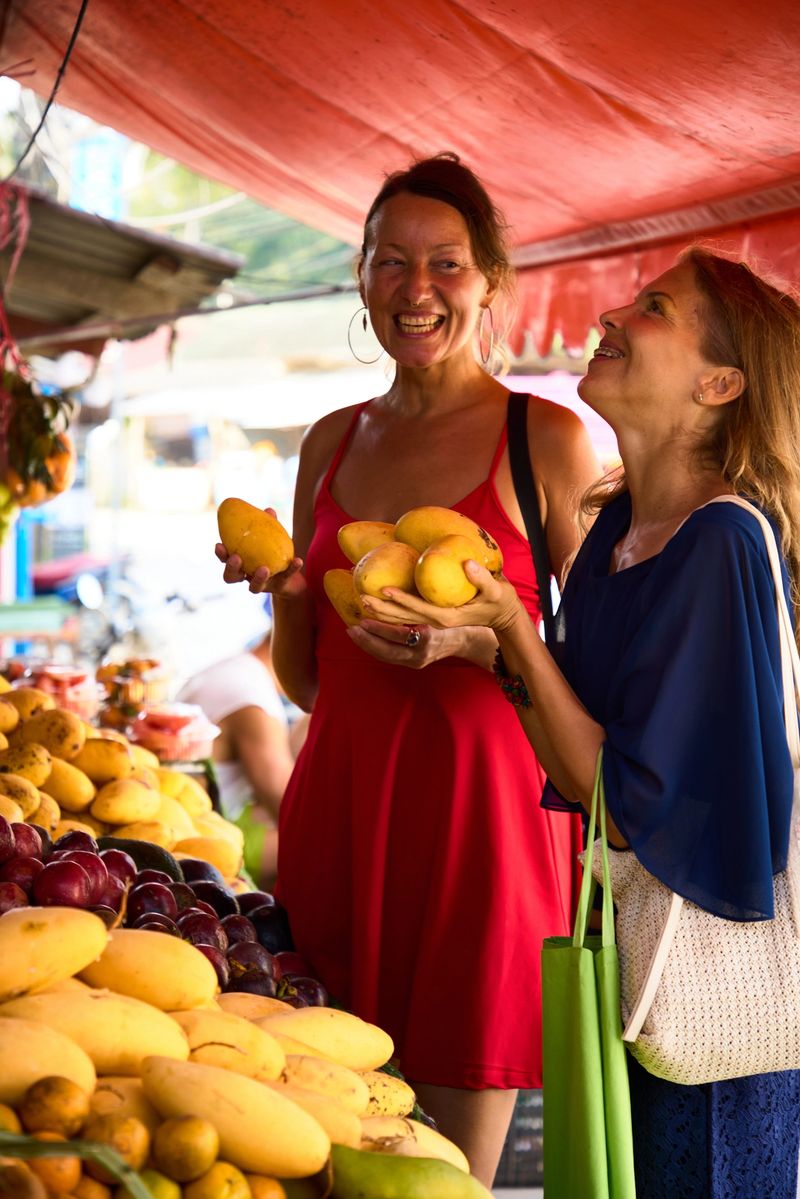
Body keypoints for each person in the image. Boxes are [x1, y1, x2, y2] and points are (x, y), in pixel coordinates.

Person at [367, 245, 800, 1197]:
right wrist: (479, 645)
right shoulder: (617, 528)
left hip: (708, 1007)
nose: (610, 316)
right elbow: (577, 764)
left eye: (653, 308)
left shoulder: (721, 540)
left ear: (719, 381)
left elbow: (629, 798)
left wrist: (514, 633)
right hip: (630, 972)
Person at [216, 152, 600, 1185]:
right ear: (361, 276)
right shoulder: (328, 445)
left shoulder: (546, 439)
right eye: (391, 262)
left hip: (486, 828)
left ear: (486, 282)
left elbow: (606, 664)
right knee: (328, 1150)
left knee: (439, 1174)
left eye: (443, 264)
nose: (415, 289)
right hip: (342, 815)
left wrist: (485, 642)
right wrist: (287, 591)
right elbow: (310, 684)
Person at [176, 599, 298, 891]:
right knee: (331, 847)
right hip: (214, 836)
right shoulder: (251, 702)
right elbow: (290, 809)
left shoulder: (238, 669)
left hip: (207, 812)